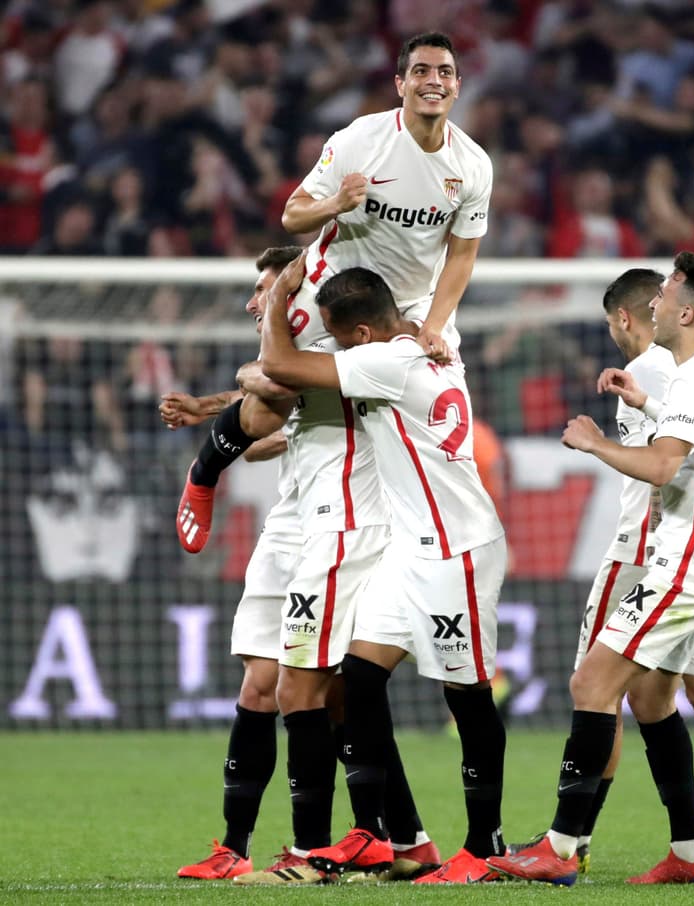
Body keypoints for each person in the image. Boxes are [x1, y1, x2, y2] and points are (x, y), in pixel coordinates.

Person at [164, 248, 440, 883]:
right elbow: (268, 394)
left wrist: (237, 397)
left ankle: (320, 851)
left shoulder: (355, 351)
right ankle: (240, 846)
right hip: (293, 522)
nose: (254, 303)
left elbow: (272, 377)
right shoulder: (327, 355)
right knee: (266, 685)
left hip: (344, 529)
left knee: (317, 692)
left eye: (266, 288)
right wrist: (219, 403)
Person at [486, 252, 694, 886]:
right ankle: (691, 853)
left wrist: (594, 443)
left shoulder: (692, 377)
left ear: (685, 311)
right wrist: (645, 405)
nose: (654, 304)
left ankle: (560, 846)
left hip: (686, 560)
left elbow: (664, 468)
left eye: (664, 295)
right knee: (654, 699)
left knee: (591, 684)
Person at [176, 30, 492, 553]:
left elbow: (462, 253)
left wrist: (434, 325)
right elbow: (292, 213)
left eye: (443, 72)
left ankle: (422, 536)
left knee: (430, 408)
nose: (432, 81)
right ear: (400, 83)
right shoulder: (359, 141)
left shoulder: (473, 165)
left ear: (458, 86)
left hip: (405, 304)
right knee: (274, 395)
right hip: (330, 285)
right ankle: (206, 472)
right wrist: (336, 204)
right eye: (420, 71)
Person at [259, 260, 508, 886]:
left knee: (468, 694)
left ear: (363, 335)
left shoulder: (389, 363)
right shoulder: (436, 339)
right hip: (410, 549)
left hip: (458, 548)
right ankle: (371, 836)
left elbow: (282, 368)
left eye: (340, 340)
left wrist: (277, 302)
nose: (337, 351)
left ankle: (485, 846)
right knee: (360, 678)